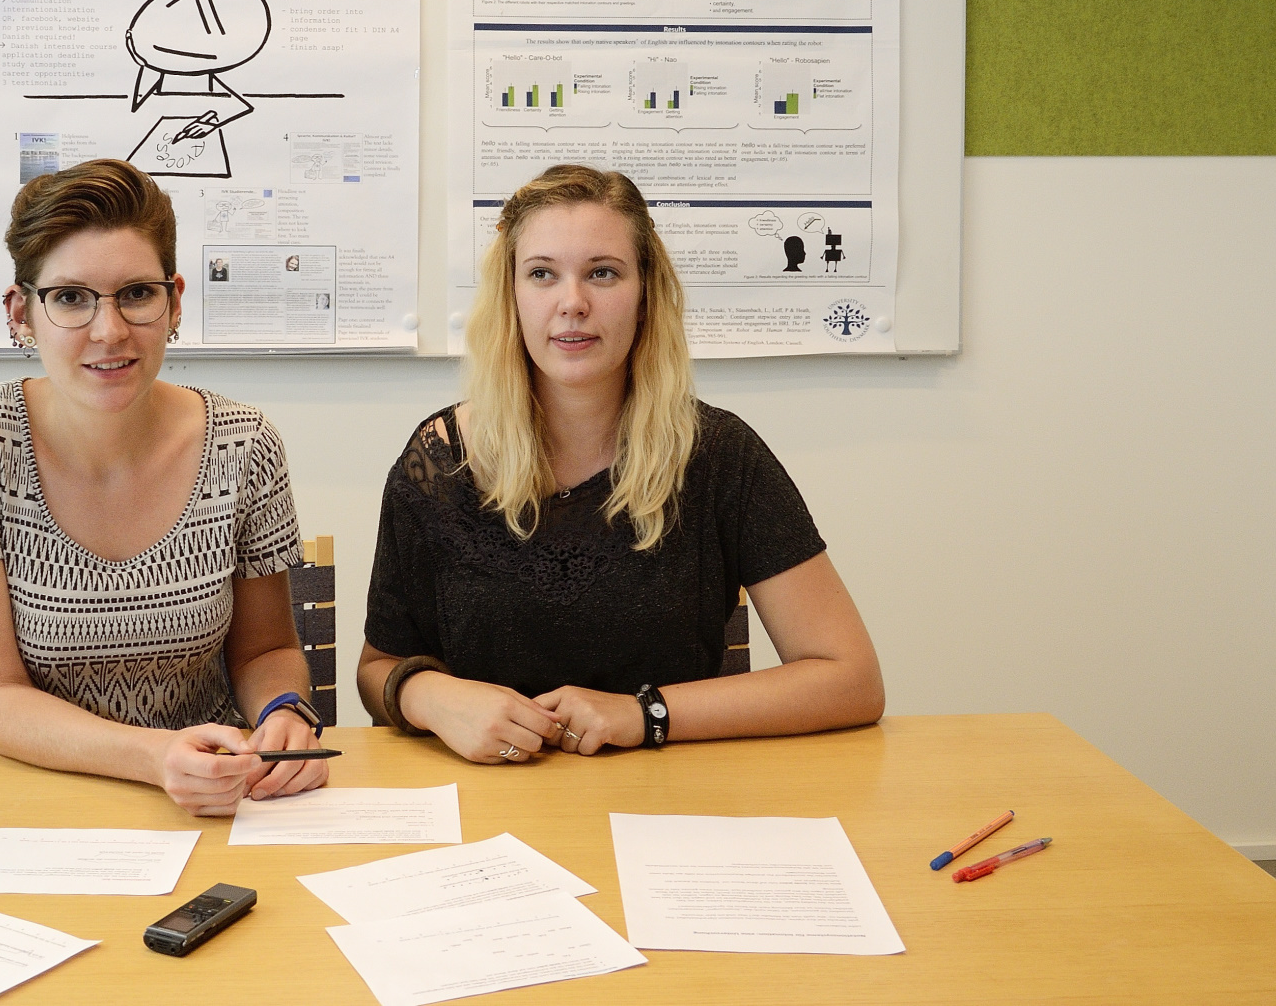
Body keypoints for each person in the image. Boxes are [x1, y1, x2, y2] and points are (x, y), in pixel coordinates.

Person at [357, 164, 882, 764]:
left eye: (602, 273)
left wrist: (643, 713)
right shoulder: (439, 460)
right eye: (542, 275)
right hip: (488, 811)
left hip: (669, 808)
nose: (572, 303)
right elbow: (379, 670)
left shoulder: (718, 455)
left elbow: (851, 680)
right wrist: (433, 697)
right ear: (511, 296)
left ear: (645, 294)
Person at [0, 159, 327, 814]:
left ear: (174, 300)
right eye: (70, 297)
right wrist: (153, 757)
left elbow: (266, 648)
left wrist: (283, 708)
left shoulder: (245, 444)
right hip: (35, 794)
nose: (109, 330)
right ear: (20, 313)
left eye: (136, 293)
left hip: (211, 797)